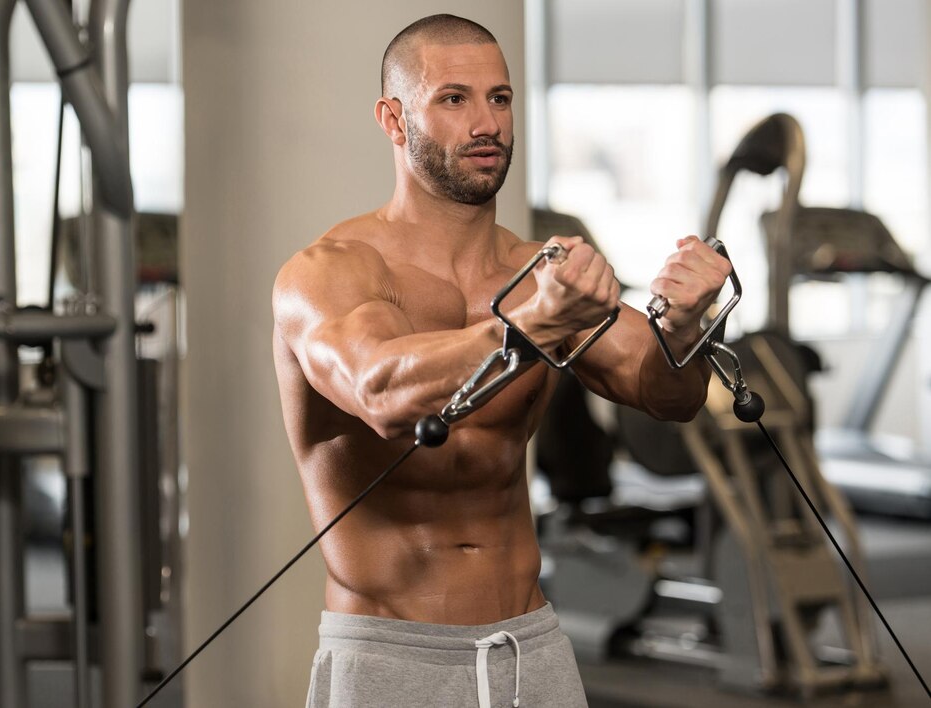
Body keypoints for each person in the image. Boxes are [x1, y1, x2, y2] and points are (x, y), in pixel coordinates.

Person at [272, 14, 731, 708]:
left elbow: (668, 393)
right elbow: (382, 391)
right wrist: (530, 326)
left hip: (529, 645)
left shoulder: (534, 272)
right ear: (394, 120)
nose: (486, 123)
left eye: (501, 98)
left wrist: (685, 323)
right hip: (390, 652)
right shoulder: (330, 273)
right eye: (454, 99)